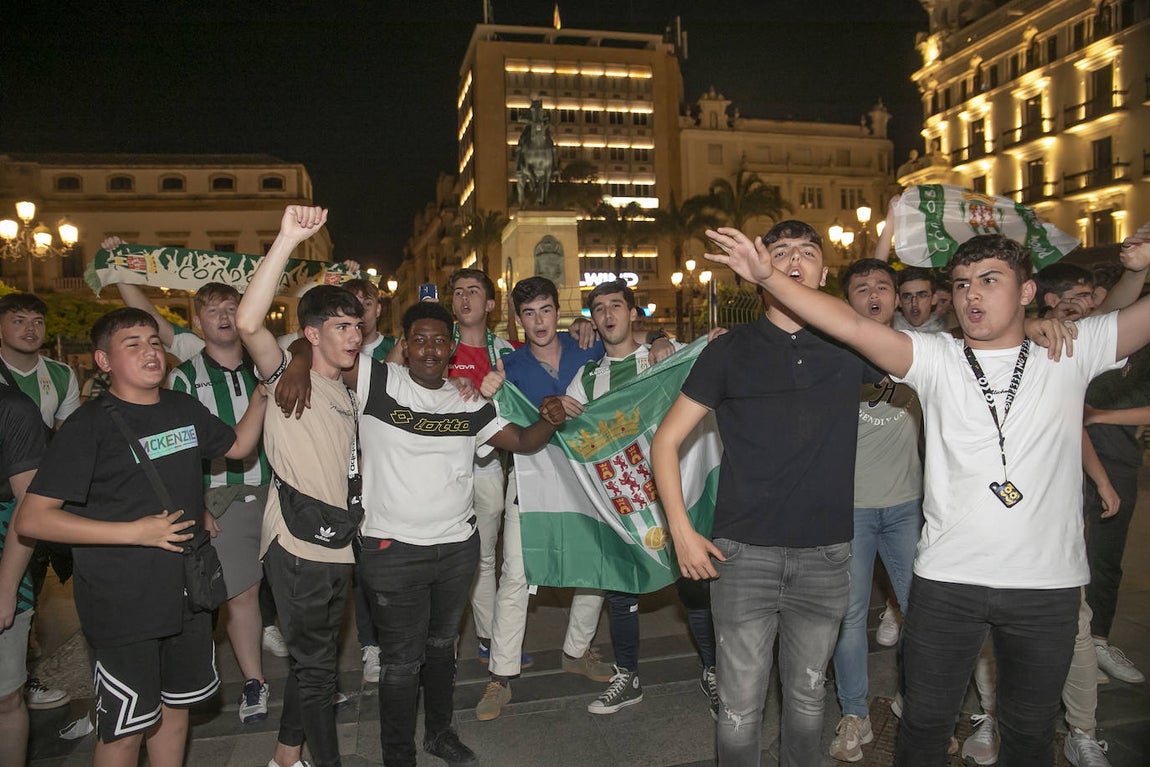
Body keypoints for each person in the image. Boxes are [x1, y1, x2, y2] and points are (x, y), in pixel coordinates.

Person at [704, 225, 1150, 766]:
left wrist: (1138, 266)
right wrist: (769, 275)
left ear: (1028, 292)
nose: (972, 294)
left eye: (989, 280)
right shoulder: (936, 357)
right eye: (961, 284)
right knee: (922, 727)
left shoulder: (1071, 351)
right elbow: (845, 323)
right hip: (946, 582)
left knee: (1031, 732)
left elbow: (1133, 320)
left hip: (1046, 585)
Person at [651, 220, 882, 767]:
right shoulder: (730, 350)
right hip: (742, 554)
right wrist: (683, 533)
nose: (795, 259)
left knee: (807, 700)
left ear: (825, 272)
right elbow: (665, 442)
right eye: (781, 253)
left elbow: (933, 347)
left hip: (826, 555)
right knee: (738, 708)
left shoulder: (850, 344)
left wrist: (1037, 328)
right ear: (760, 273)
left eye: (808, 252)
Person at [13, 306, 265, 767]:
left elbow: (236, 447)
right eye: (133, 344)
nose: (151, 351)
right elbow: (32, 518)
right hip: (122, 604)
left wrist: (264, 394)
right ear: (103, 361)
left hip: (187, 594)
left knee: (175, 710)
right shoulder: (88, 426)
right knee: (125, 727)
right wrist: (135, 532)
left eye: (154, 342)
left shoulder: (182, 407)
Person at [356, 300, 564, 767]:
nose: (429, 349)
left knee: (441, 647)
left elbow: (523, 441)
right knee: (401, 662)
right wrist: (292, 370)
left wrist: (550, 419)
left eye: (438, 340)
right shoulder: (377, 381)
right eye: (419, 340)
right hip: (392, 548)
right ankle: (397, 754)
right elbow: (316, 350)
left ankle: (439, 734)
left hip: (455, 549)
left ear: (451, 348)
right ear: (404, 345)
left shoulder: (467, 400)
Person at [548, 279, 718, 718]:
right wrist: (556, 411)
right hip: (626, 502)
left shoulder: (664, 354)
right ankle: (628, 676)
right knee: (620, 587)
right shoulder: (586, 379)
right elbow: (572, 437)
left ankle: (714, 670)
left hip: (676, 494)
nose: (608, 314)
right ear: (593, 319)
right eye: (599, 308)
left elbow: (710, 360)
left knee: (695, 586)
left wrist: (675, 341)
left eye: (616, 306)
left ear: (633, 313)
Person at [236, 205, 362, 767]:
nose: (354, 335)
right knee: (316, 671)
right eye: (340, 326)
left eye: (357, 325)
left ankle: (287, 758)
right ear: (311, 334)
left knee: (316, 664)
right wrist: (286, 239)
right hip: (297, 546)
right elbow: (247, 325)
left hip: (337, 542)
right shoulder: (290, 376)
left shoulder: (345, 388)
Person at [829, 259, 923, 763]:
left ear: (896, 296)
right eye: (861, 288)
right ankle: (855, 713)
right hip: (853, 510)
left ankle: (920, 706)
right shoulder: (834, 355)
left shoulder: (921, 350)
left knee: (921, 614)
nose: (873, 294)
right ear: (848, 301)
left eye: (882, 287)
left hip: (908, 507)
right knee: (848, 618)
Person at [168, 281, 273, 724]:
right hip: (223, 497)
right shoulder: (183, 377)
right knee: (242, 593)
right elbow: (179, 453)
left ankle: (314, 677)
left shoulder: (266, 365)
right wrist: (198, 507)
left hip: (279, 491)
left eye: (233, 307)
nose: (225, 316)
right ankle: (255, 680)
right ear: (197, 323)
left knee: (294, 589)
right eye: (213, 310)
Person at [0, 292, 79, 710]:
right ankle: (19, 675)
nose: (30, 329)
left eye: (37, 322)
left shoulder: (62, 375)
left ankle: (20, 673)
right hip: (4, 491)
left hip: (40, 491)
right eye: (18, 320)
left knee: (32, 582)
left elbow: (67, 439)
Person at [0, 385, 49, 766]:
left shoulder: (12, 407)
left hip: (5, 557)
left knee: (5, 695)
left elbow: (28, 505)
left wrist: (6, 586)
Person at [894, 267, 948, 333]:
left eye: (922, 295)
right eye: (907, 296)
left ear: (934, 299)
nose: (914, 303)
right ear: (899, 301)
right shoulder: (887, 331)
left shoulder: (945, 338)